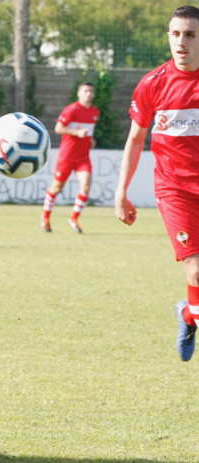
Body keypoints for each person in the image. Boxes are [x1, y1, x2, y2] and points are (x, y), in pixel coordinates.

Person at [115, 5, 199, 362]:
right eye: (176, 34)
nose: (181, 42)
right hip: (174, 191)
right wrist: (121, 192)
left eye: (191, 34)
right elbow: (135, 140)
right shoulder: (153, 84)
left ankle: (186, 313)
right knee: (196, 269)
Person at [41, 82, 99, 233]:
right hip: (67, 156)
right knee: (56, 188)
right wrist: (76, 133)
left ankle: (74, 218)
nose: (89, 94)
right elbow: (58, 128)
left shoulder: (95, 112)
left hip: (83, 158)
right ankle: (46, 217)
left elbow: (89, 131)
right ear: (79, 94)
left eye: (91, 91)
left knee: (86, 186)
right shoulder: (72, 110)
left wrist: (90, 140)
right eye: (86, 91)